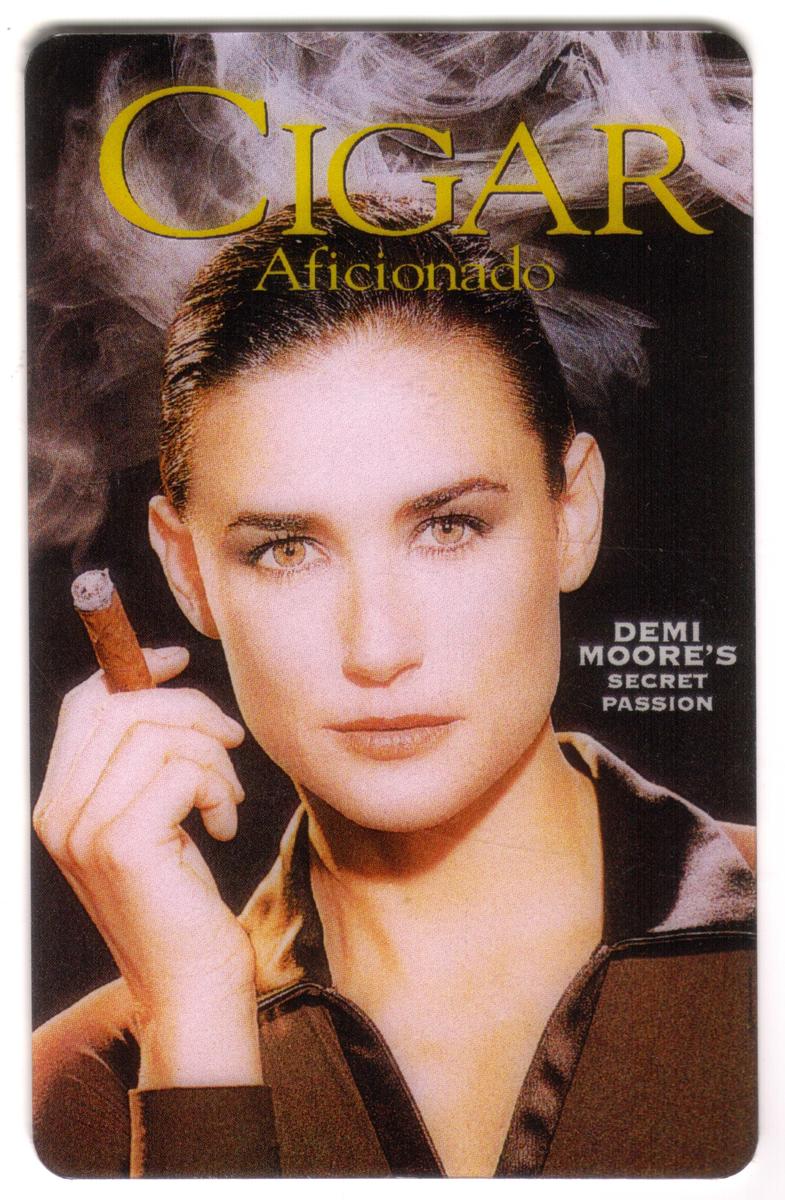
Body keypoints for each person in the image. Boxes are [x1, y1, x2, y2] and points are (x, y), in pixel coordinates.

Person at [32, 197, 756, 1179]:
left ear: (572, 513)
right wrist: (194, 1028)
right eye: (286, 549)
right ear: (188, 571)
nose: (376, 648)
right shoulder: (69, 1096)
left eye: (448, 526)